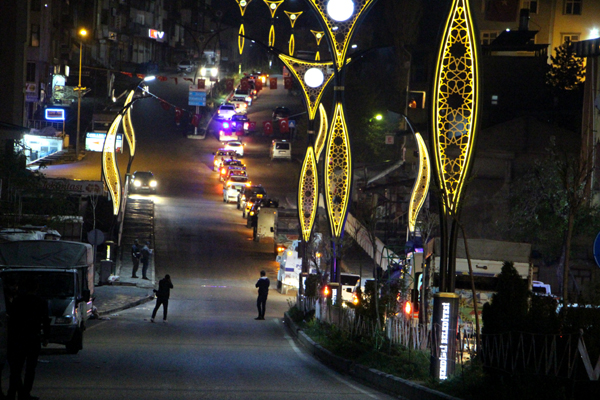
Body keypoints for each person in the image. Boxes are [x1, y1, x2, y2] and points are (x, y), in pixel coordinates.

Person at [6, 280, 50, 400]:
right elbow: (45, 320)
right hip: (33, 337)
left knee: (16, 368)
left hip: (18, 337)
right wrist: (46, 336)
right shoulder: (40, 302)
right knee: (30, 368)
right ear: (36, 288)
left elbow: (11, 319)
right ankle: (25, 393)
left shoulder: (18, 301)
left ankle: (13, 392)